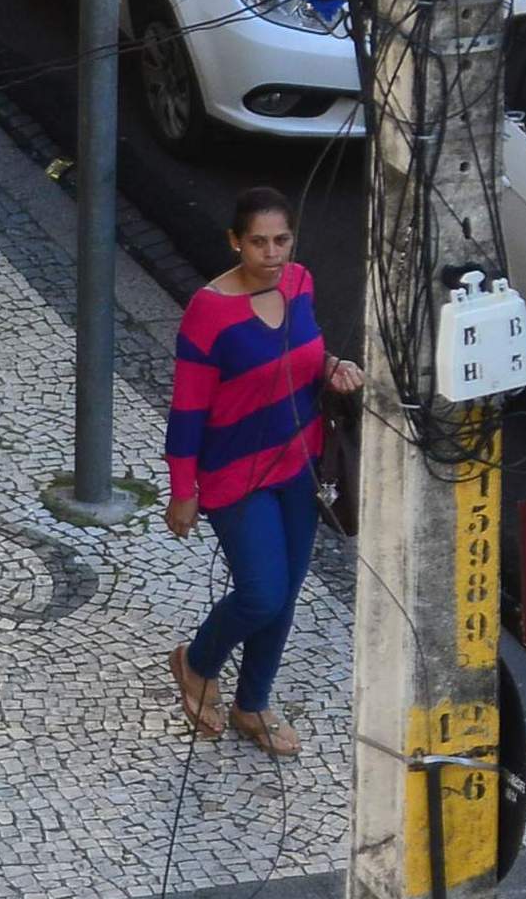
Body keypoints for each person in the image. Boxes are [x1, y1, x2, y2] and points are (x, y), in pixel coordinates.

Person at [164, 185, 362, 757]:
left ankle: (253, 704)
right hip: (234, 477)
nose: (271, 253)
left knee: (287, 592)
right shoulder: (209, 311)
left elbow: (303, 358)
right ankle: (197, 661)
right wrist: (183, 491)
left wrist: (333, 366)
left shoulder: (300, 283)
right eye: (258, 242)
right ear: (234, 242)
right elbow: (188, 409)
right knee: (261, 593)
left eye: (281, 240)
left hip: (300, 464)